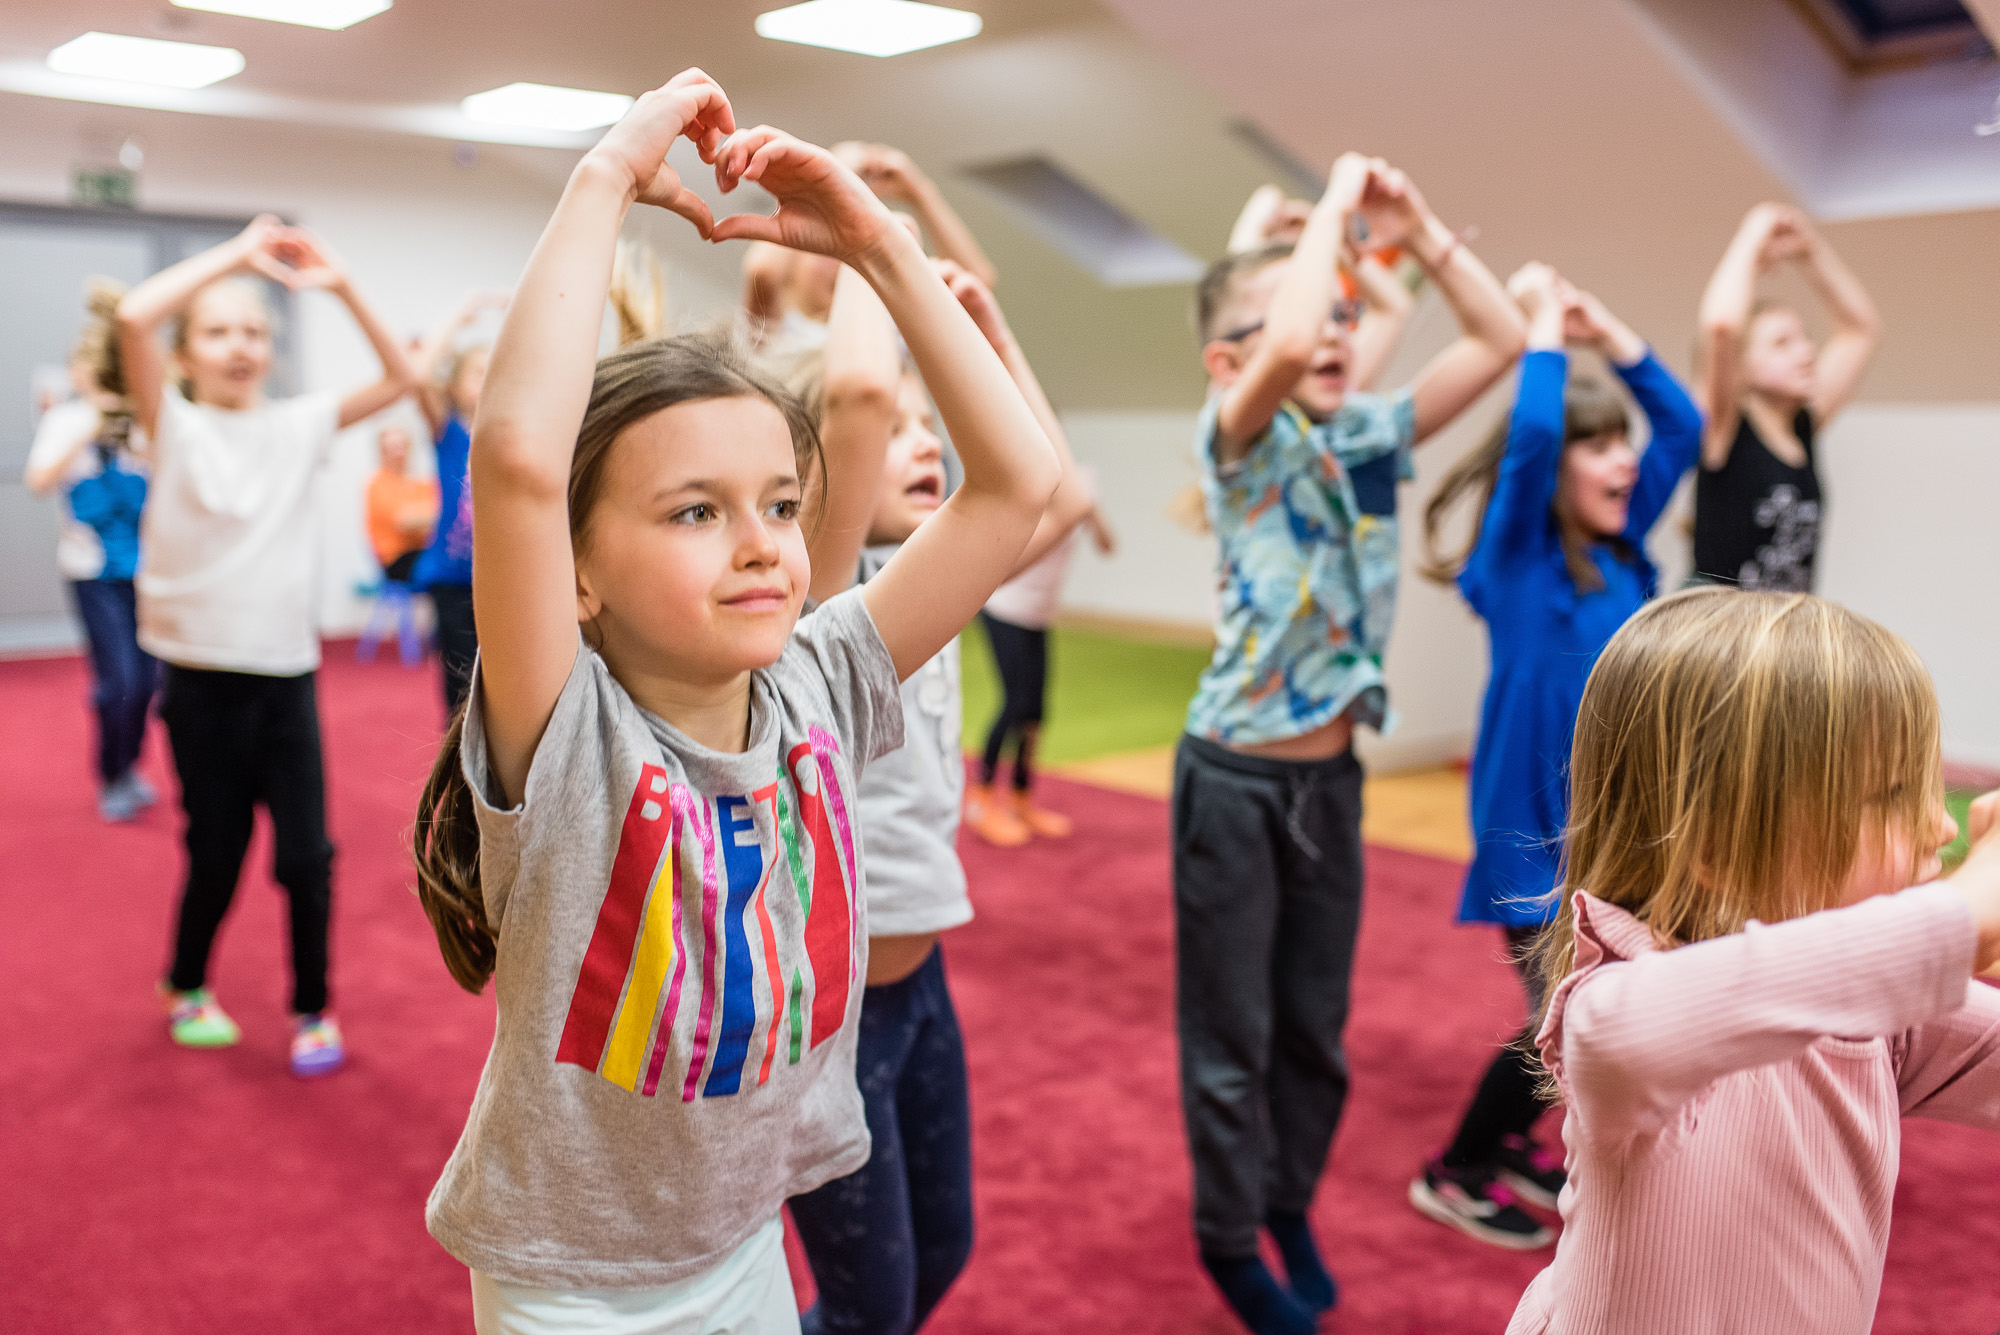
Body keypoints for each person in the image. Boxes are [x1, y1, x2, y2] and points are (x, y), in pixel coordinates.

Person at [408, 73, 1058, 1333]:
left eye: (776, 501)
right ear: (579, 576)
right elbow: (519, 462)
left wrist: (877, 242)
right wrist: (603, 178)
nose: (761, 541)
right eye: (695, 511)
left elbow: (1011, 486)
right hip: (571, 1286)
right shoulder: (569, 737)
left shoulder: (819, 678)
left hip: (745, 1241)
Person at [1175, 153, 1525, 1335]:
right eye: (1290, 324)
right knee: (1233, 1035)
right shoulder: (1235, 437)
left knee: (1314, 1032)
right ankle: (1226, 1240)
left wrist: (1417, 230)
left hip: (1327, 781)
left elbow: (1499, 336)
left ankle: (1285, 1201)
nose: (1320, 336)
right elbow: (1276, 355)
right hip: (1229, 779)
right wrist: (1329, 206)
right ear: (1225, 362)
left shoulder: (1370, 433)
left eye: (1336, 318)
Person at [1504, 587, 2000, 1333]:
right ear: (1714, 847)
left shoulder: (1874, 1013)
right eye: (1893, 793)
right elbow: (1643, 1023)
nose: (1939, 824)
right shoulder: (1614, 1005)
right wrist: (1967, 912)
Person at [782, 239, 1091, 1334]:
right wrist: (869, 245)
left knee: (941, 1251)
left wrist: (994, 338)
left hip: (919, 984)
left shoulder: (943, 582)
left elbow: (1047, 484)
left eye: (934, 429)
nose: (924, 444)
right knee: (872, 1309)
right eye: (901, 437)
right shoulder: (826, 606)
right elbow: (859, 395)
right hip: (833, 1019)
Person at [1408, 265, 1703, 1248]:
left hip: (1615, 831)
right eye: (1597, 443)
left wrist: (1609, 330)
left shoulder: (1624, 555)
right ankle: (1453, 1168)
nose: (1624, 461)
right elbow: (1530, 434)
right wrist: (1540, 328)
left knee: (1594, 1008)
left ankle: (1501, 1146)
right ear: (1554, 466)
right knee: (1567, 1022)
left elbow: (1683, 433)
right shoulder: (1515, 565)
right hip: (1531, 839)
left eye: (1621, 442)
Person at [118, 217, 415, 1074]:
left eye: (254, 330)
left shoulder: (300, 424)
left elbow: (403, 378)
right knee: (215, 848)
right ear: (187, 355)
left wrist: (342, 284)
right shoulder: (169, 424)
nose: (240, 345)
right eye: (218, 331)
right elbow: (137, 317)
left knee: (305, 856)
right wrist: (243, 255)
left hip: (285, 677)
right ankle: (185, 982)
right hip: (201, 679)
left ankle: (313, 1006)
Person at [1691, 202, 1881, 590]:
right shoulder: (1724, 427)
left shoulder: (1802, 426)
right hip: (1720, 636)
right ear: (1742, 368)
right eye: (1782, 343)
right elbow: (1722, 325)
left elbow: (1860, 330)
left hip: (1784, 632)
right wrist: (1753, 232)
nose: (1807, 352)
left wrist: (1809, 252)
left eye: (1804, 338)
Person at [24, 280, 160, 823]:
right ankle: (111, 772)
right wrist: (86, 427)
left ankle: (129, 765)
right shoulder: (67, 422)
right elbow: (39, 480)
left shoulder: (141, 420)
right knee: (119, 680)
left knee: (148, 683)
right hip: (92, 572)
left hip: (147, 573)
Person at [741, 140, 995, 357]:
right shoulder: (778, 332)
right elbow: (762, 271)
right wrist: (820, 180)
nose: (846, 267)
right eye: (830, 254)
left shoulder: (886, 331)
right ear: (794, 267)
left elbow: (973, 287)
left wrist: (919, 193)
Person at [964, 484, 1115, 847]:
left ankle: (1020, 798)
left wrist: (1088, 511)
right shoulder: (1027, 488)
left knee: (1035, 713)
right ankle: (981, 798)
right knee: (1014, 703)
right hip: (1005, 608)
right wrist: (1064, 514)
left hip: (1038, 615)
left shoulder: (1081, 486)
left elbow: (1108, 546)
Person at [411, 290, 506, 719]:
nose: (489, 381)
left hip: (502, 576)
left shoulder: (512, 437)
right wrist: (461, 314)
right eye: (478, 372)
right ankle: (461, 761)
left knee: (504, 680)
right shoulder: (448, 431)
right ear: (454, 385)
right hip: (452, 581)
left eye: (497, 372)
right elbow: (419, 373)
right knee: (462, 684)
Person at [364, 424, 439, 582]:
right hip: (398, 559)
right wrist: (440, 514)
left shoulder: (422, 484)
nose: (398, 453)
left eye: (401, 446)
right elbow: (404, 520)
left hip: (424, 551)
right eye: (392, 447)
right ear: (381, 451)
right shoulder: (378, 485)